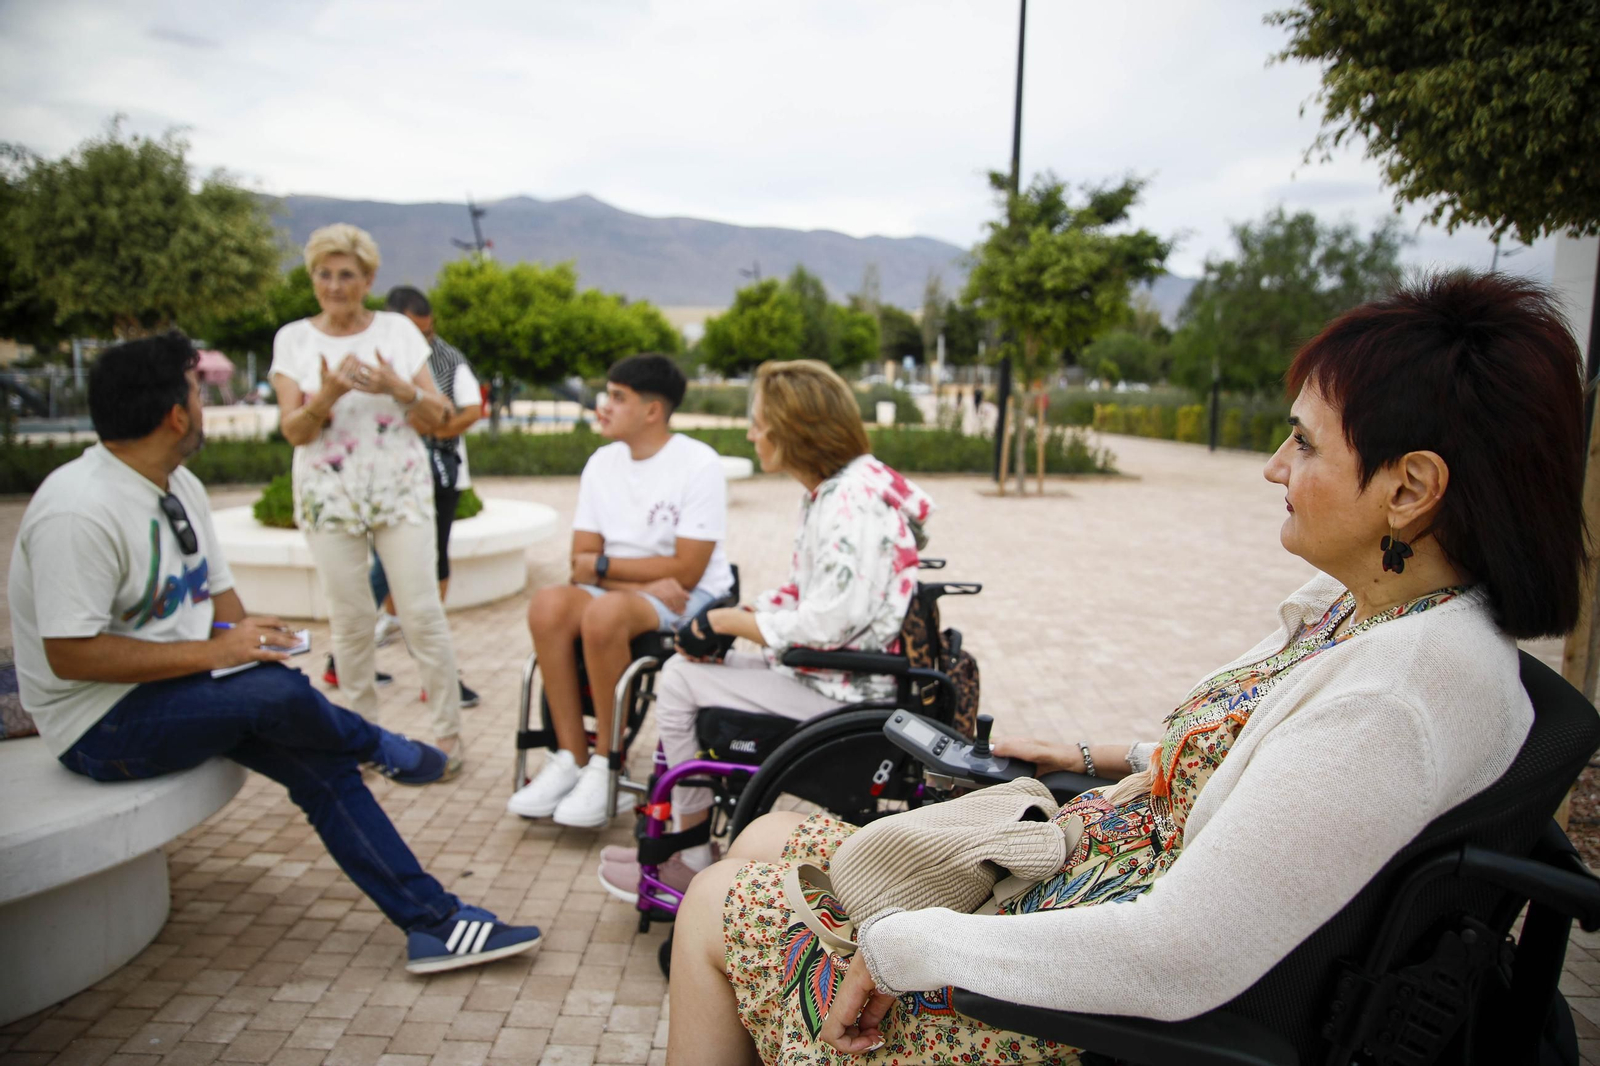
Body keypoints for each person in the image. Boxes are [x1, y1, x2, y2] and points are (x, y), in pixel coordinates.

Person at [664, 272, 1589, 1065]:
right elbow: (1277, 770)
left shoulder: (1398, 698)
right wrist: (1090, 749)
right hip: (1086, 889)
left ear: (1411, 489)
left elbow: (1180, 953)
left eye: (1304, 442)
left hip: (1086, 1014)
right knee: (758, 845)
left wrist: (908, 946)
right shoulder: (1377, 619)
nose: (1273, 466)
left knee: (714, 905)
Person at [8, 333, 541, 975]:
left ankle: (435, 924)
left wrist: (251, 632)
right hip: (98, 724)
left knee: (319, 761)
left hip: (174, 691)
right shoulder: (79, 511)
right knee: (282, 698)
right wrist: (220, 648)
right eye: (199, 391)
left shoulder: (175, 482)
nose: (205, 404)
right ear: (176, 413)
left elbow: (220, 597)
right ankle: (376, 744)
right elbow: (71, 656)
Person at [596, 359, 934, 902]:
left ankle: (689, 854)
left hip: (842, 692)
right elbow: (809, 593)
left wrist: (731, 621)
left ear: (793, 429)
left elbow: (828, 622)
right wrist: (746, 615)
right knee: (691, 664)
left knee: (679, 679)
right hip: (835, 676)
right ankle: (688, 842)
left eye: (759, 422)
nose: (751, 433)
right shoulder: (837, 491)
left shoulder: (848, 501)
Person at [269, 224, 467, 774]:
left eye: (346, 275)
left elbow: (441, 417)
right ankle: (362, 738)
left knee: (422, 613)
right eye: (323, 275)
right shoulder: (294, 340)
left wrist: (396, 387)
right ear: (312, 278)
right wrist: (327, 395)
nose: (334, 286)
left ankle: (449, 736)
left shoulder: (398, 332)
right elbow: (293, 431)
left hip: (399, 490)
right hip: (328, 496)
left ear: (368, 279)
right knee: (350, 619)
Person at [508, 354, 736, 827]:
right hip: (637, 591)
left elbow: (688, 572)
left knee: (605, 613)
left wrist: (606, 570)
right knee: (549, 605)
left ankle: (606, 767)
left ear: (652, 411)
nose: (602, 406)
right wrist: (637, 577)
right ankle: (571, 756)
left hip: (690, 599)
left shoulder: (698, 464)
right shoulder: (602, 463)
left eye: (617, 397)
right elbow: (578, 565)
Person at [367, 285, 484, 710]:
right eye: (416, 332)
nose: (424, 340)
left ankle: (434, 675)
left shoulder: (445, 359)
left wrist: (436, 432)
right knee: (390, 566)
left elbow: (470, 409)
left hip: (433, 478)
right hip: (380, 477)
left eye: (428, 331)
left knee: (424, 564)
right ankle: (358, 658)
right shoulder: (367, 353)